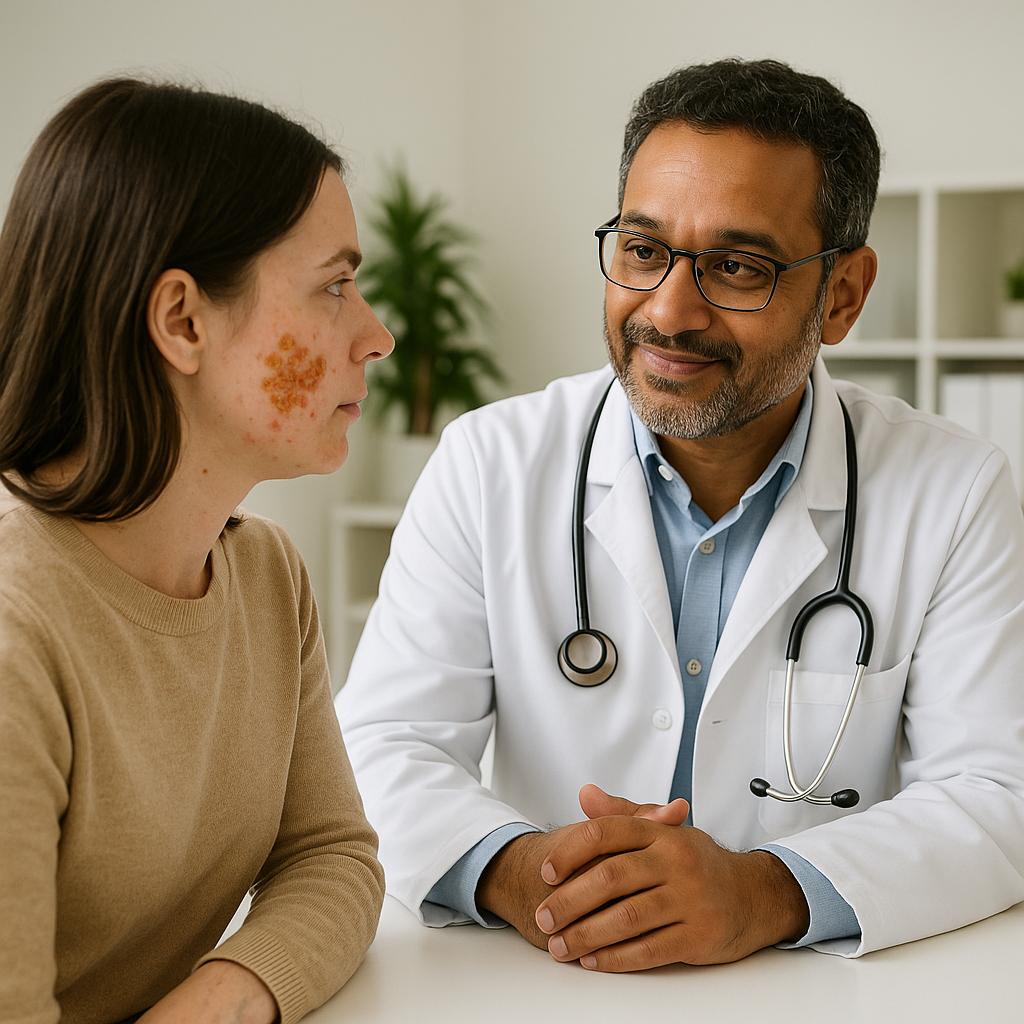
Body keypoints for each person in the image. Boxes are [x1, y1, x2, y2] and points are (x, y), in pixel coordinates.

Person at [337, 58, 1024, 967]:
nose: (668, 310)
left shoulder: (954, 490)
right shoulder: (490, 463)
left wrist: (764, 891)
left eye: (737, 266)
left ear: (844, 295)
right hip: (537, 987)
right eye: (642, 249)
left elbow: (999, 790)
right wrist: (527, 871)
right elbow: (382, 745)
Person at [0, 78, 393, 1023]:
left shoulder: (264, 578)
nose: (375, 335)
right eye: (335, 286)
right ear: (182, 320)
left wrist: (228, 994)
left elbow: (333, 858)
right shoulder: (16, 636)